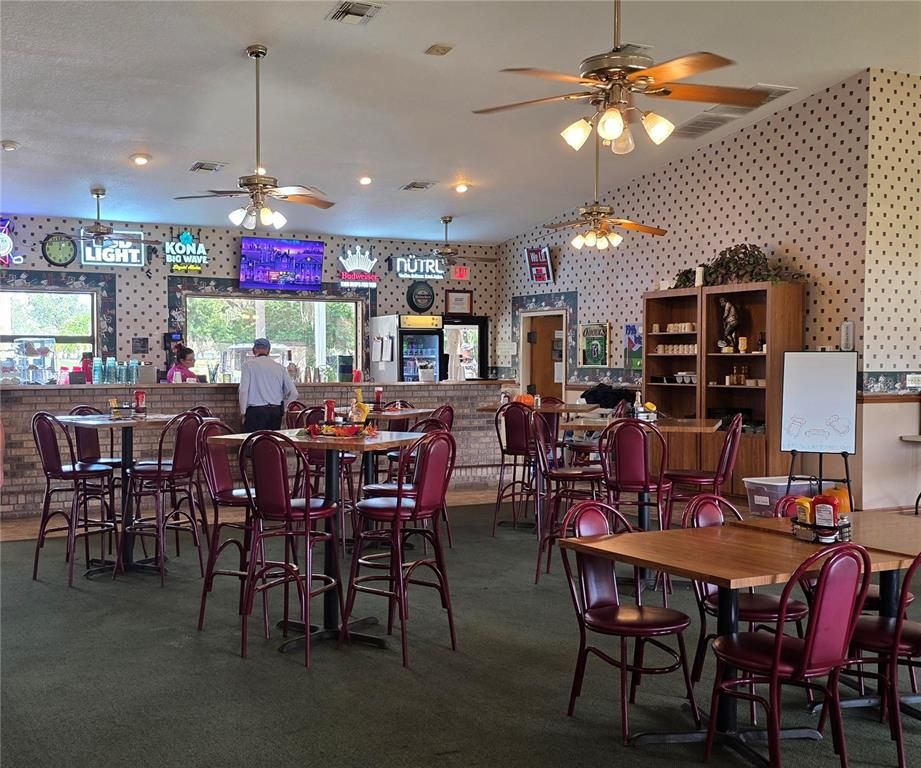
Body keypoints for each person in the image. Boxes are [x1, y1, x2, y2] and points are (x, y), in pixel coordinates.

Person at [238, 337, 297, 431]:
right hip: (275, 411)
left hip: (255, 412)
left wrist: (243, 412)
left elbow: (243, 390)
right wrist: (284, 409)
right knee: (271, 443)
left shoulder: (248, 365)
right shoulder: (279, 367)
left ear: (254, 350)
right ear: (269, 351)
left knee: (254, 443)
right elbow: (294, 393)